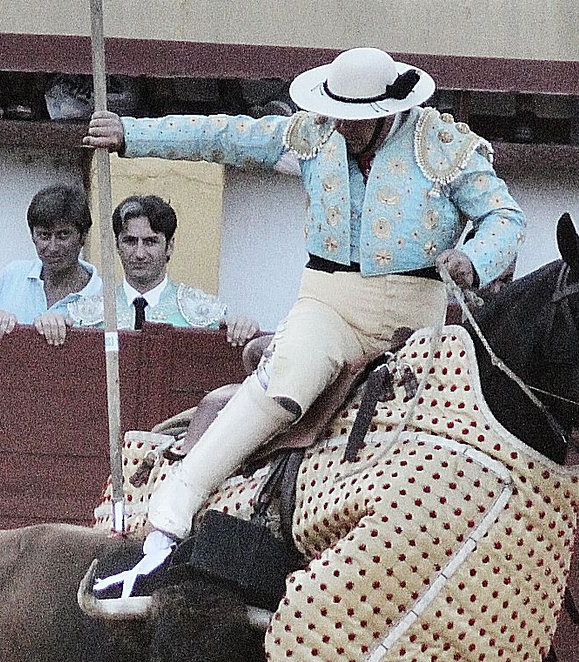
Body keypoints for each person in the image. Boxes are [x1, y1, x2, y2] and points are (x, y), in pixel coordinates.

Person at [84, 46, 525, 593]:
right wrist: (132, 134)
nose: (342, 126)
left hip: (416, 316)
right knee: (285, 381)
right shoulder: (316, 133)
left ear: (389, 110)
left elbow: (505, 216)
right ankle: (169, 522)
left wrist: (475, 260)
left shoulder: (443, 146)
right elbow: (227, 137)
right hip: (329, 302)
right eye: (339, 113)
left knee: (444, 430)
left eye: (356, 119)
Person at [62, 194, 260, 346]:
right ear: (117, 245)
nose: (139, 253)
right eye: (130, 241)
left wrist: (242, 328)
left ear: (170, 246)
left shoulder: (205, 314)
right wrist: (51, 324)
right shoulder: (86, 314)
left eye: (150, 242)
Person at [0, 183, 102, 346]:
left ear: (83, 236)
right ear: (33, 236)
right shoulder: (11, 275)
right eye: (44, 236)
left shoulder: (101, 296)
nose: (53, 247)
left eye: (63, 235)